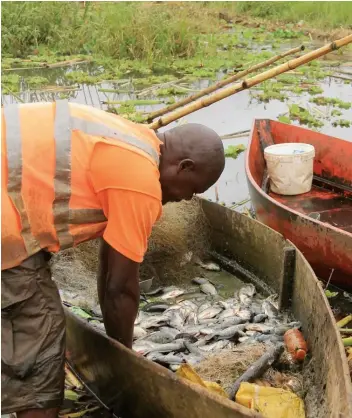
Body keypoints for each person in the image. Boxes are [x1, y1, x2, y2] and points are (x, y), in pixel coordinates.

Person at [1, 100, 225, 417]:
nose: (186, 198)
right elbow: (120, 289)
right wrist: (128, 365)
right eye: (193, 189)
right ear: (184, 166)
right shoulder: (141, 183)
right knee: (40, 349)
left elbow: (110, 274)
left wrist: (116, 347)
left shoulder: (135, 139)